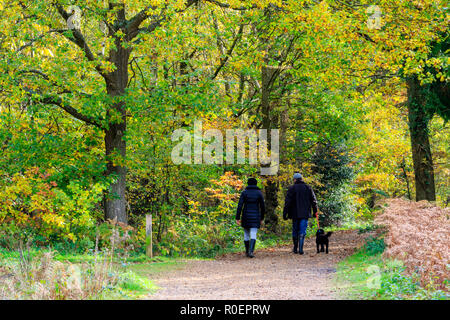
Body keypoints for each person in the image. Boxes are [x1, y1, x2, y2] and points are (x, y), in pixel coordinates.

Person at [283, 173, 318, 255]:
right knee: (302, 230)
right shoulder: (308, 188)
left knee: (295, 230)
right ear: (302, 179)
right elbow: (314, 201)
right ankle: (301, 249)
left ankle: (295, 248)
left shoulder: (291, 188)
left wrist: (285, 213)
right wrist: (315, 211)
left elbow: (287, 202)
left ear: (295, 179)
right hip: (305, 213)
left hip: (294, 213)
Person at [236, 178, 265, 258]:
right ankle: (251, 252)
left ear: (248, 184)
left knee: (246, 234)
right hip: (256, 216)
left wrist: (237, 217)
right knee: (253, 234)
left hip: (245, 216)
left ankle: (247, 251)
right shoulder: (259, 193)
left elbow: (240, 206)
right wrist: (262, 218)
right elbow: (262, 207)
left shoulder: (244, 193)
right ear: (256, 184)